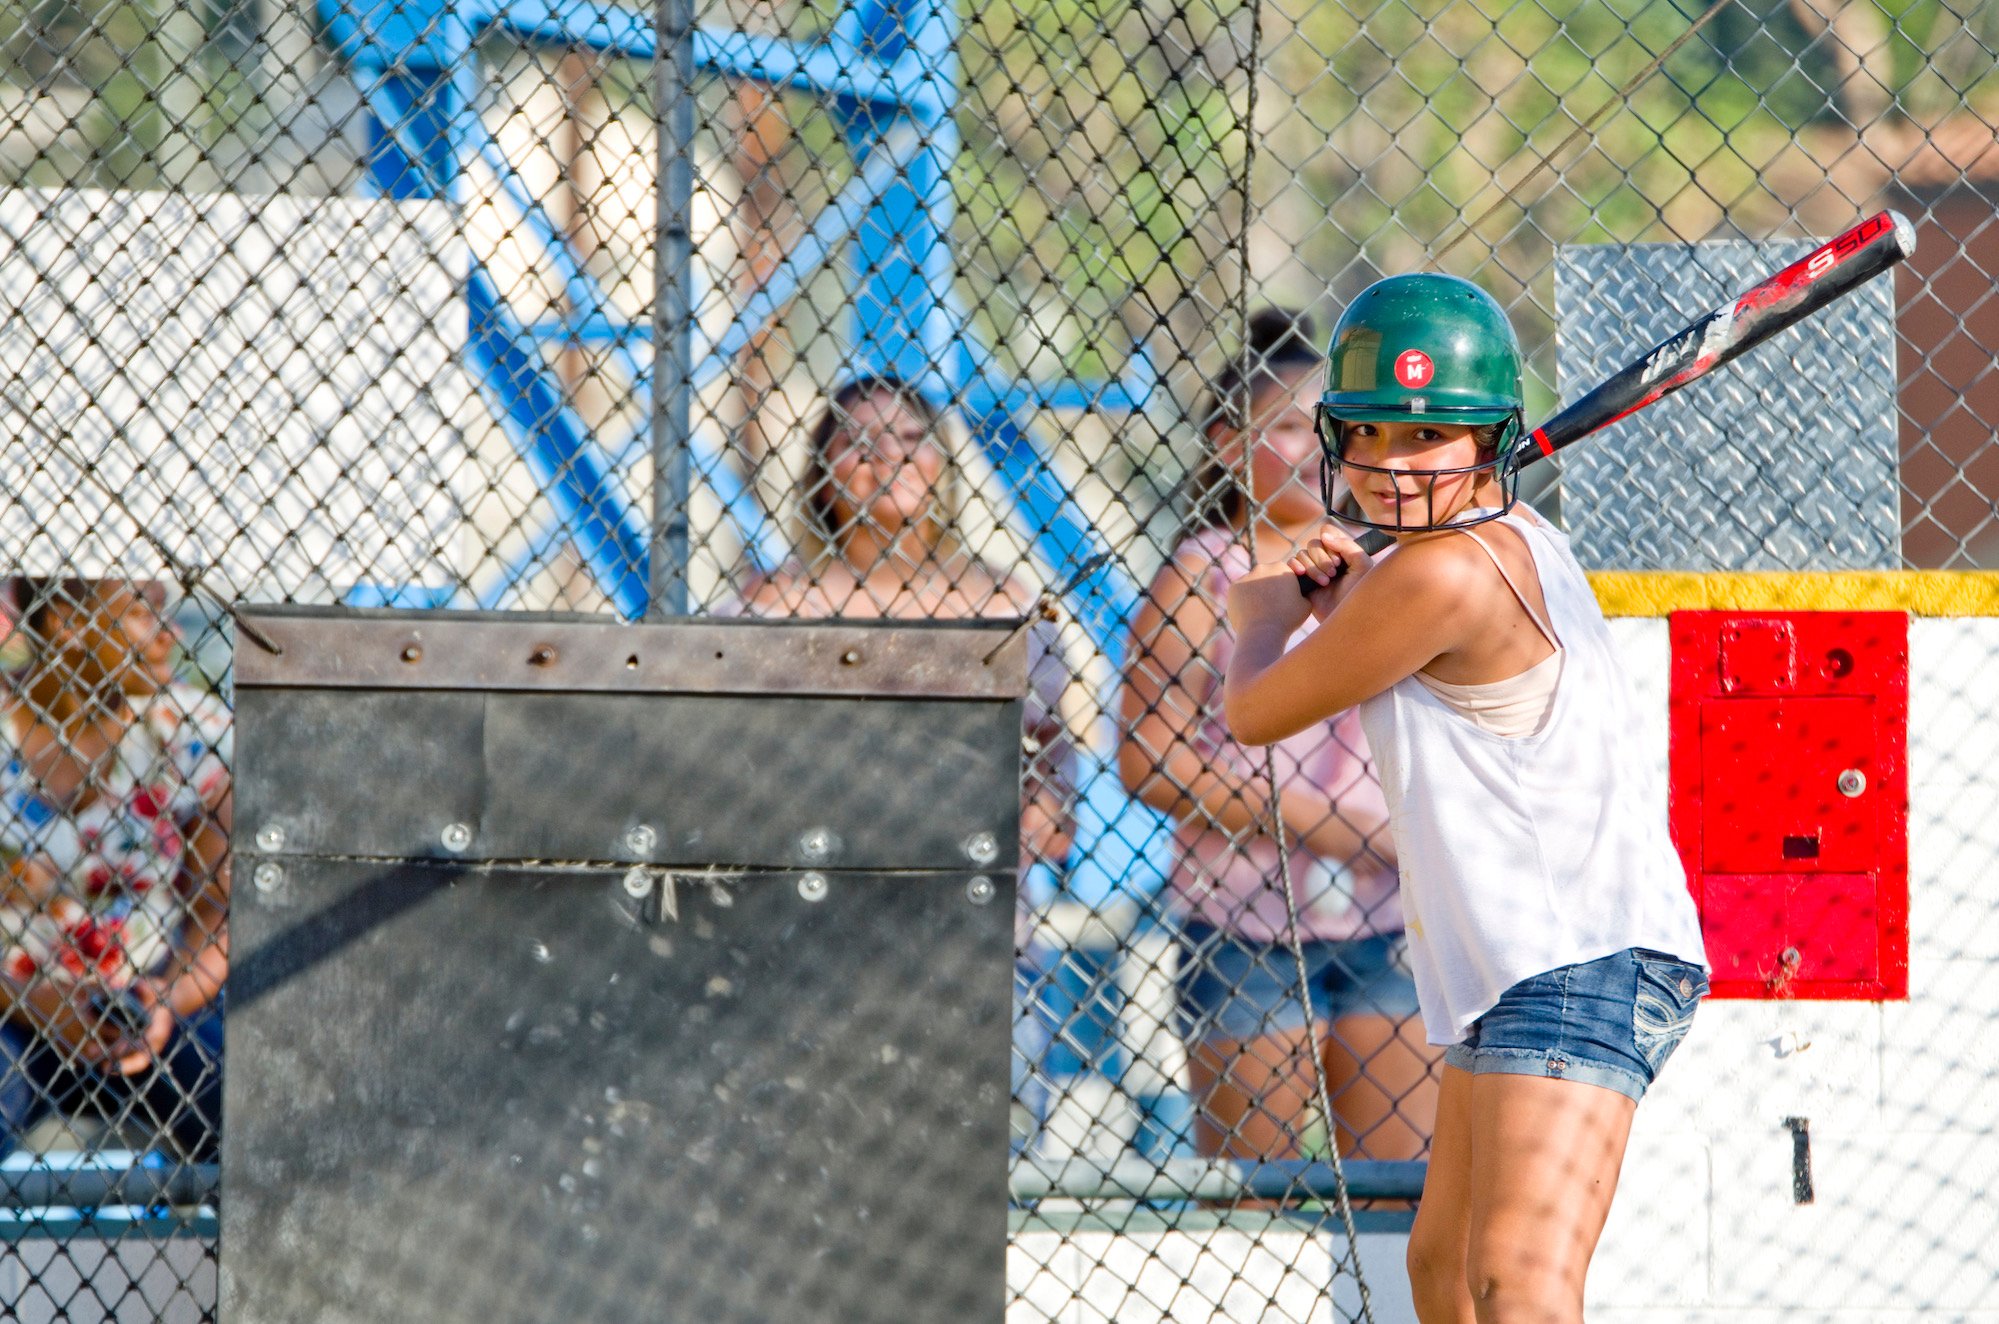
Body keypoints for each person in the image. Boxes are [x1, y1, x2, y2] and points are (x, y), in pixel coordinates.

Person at [1221, 274, 1709, 1323]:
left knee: (1516, 1283)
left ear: (1490, 442)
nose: (1396, 467)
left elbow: (1256, 712)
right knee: (1440, 1276)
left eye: (1430, 439)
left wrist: (1260, 616)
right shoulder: (1499, 545)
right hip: (1519, 967)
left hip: (1576, 956)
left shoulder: (1441, 576)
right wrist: (1348, 590)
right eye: (1376, 438)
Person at [1119, 309, 1436, 1169]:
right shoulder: (1206, 571)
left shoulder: (1397, 562)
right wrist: (1311, 818)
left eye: (1332, 427)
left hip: (1390, 920)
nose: (1317, 447)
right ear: (1229, 444)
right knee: (1249, 1188)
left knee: (1391, 1185)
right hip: (1245, 923)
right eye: (1289, 425)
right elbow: (1147, 755)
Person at [734, 374, 1076, 1139]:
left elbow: (1053, 765)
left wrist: (1033, 816)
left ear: (943, 467)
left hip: (974, 937)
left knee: (990, 1154)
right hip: (811, 941)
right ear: (820, 470)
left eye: (910, 440)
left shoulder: (1000, 601)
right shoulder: (772, 604)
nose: (883, 456)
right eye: (856, 441)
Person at [0, 578, 230, 1159]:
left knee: (255, 1119)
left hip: (149, 1009)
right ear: (68, 625)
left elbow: (217, 913)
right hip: (12, 1013)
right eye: (144, 613)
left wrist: (164, 999)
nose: (170, 634)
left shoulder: (193, 733)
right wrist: (33, 1001)